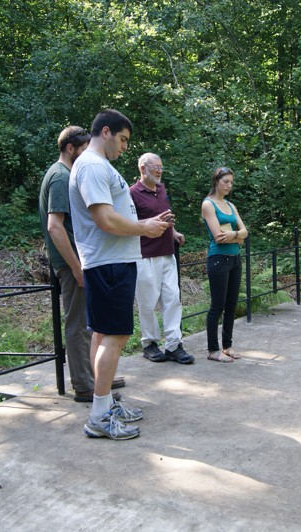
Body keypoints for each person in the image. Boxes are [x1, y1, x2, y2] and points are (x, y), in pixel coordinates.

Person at [69, 109, 170, 440]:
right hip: (109, 263)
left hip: (110, 262)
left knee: (103, 335)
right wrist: (145, 227)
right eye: (123, 139)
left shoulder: (96, 165)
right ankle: (99, 417)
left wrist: (146, 226)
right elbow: (105, 220)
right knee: (114, 337)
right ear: (106, 132)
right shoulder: (93, 166)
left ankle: (105, 404)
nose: (126, 147)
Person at [39, 125, 125, 402]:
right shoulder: (60, 177)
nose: (89, 153)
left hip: (81, 260)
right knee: (78, 325)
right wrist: (76, 268)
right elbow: (54, 226)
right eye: (84, 148)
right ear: (70, 148)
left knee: (92, 323)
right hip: (71, 264)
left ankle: (98, 376)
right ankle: (85, 384)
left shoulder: (67, 174)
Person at [130, 153, 194, 365]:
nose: (159, 171)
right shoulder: (132, 193)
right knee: (147, 303)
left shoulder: (161, 189)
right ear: (143, 168)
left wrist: (173, 231)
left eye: (161, 167)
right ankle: (149, 344)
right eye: (155, 167)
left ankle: (174, 345)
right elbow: (128, 224)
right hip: (145, 255)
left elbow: (165, 216)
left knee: (173, 299)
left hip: (167, 253)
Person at [201, 166, 249, 362]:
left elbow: (244, 233)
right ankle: (213, 350)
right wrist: (237, 236)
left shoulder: (230, 205)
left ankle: (227, 346)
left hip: (235, 259)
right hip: (218, 259)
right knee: (217, 306)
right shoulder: (208, 204)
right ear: (216, 182)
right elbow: (218, 238)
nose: (229, 185)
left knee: (231, 305)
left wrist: (234, 235)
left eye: (231, 182)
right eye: (225, 182)